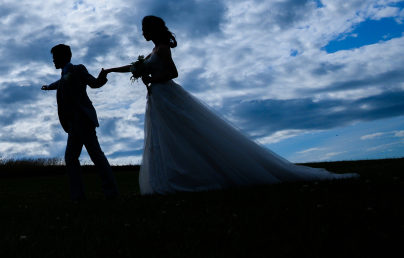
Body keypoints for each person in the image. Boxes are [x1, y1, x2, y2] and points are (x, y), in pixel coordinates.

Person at [100, 15, 357, 195]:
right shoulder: (152, 50)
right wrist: (112, 69)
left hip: (166, 95)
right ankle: (169, 179)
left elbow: (174, 73)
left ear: (153, 29)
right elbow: (136, 67)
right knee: (163, 138)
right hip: (157, 99)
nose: (142, 33)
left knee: (185, 136)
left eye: (144, 29)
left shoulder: (163, 48)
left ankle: (191, 177)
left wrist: (153, 78)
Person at [42, 44, 119, 201]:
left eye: (55, 58)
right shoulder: (64, 75)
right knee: (70, 158)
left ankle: (111, 193)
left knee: (96, 155)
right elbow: (60, 83)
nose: (53, 61)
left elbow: (94, 83)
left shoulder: (78, 69)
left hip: (83, 120)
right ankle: (77, 197)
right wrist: (48, 86)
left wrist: (102, 77)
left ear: (63, 57)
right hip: (72, 125)